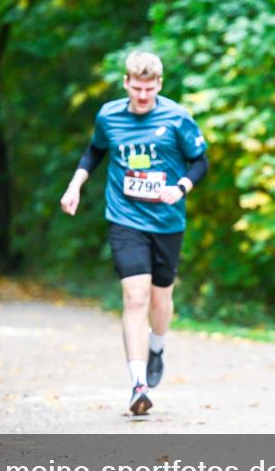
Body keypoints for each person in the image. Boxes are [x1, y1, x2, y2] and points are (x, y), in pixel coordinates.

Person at [60, 51, 209, 415]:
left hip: (167, 222)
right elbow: (94, 152)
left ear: (159, 85)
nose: (143, 95)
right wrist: (75, 185)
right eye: (137, 88)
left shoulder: (177, 117)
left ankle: (157, 347)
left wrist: (182, 187)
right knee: (135, 298)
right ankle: (138, 384)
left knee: (160, 300)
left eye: (149, 88)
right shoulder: (109, 116)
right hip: (125, 218)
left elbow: (200, 161)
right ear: (126, 83)